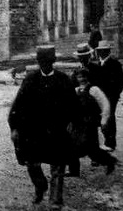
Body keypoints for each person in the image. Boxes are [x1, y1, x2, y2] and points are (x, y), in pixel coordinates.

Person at [8, 46, 77, 209]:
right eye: (41, 62)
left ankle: (55, 201)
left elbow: (73, 104)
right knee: (32, 163)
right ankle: (40, 186)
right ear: (38, 62)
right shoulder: (30, 80)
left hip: (57, 130)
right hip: (33, 131)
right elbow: (18, 104)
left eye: (48, 62)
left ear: (53, 62)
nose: (45, 65)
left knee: (58, 166)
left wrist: (72, 121)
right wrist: (14, 127)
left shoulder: (63, 80)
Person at [66, 69, 116, 176]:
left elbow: (105, 105)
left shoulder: (94, 90)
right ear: (76, 78)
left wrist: (104, 120)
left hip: (89, 124)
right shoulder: (75, 90)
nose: (82, 79)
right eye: (79, 77)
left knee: (91, 150)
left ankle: (110, 162)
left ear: (88, 77)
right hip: (77, 124)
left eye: (84, 77)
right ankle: (74, 171)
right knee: (71, 146)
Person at [94, 42, 123, 151]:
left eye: (103, 50)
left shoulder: (115, 64)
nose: (100, 52)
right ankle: (105, 141)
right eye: (99, 50)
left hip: (111, 97)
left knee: (110, 118)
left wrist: (115, 96)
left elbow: (120, 82)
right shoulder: (98, 65)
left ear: (108, 51)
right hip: (99, 97)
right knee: (101, 118)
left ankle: (111, 143)